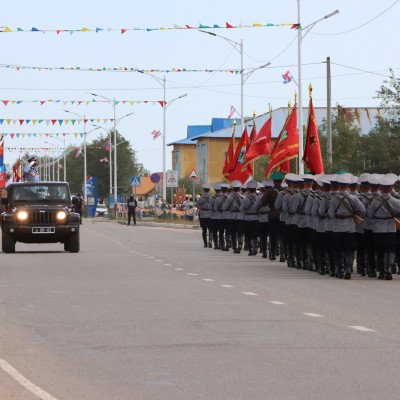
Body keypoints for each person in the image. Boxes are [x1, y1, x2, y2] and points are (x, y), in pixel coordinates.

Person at [240, 180, 260, 256]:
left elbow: (241, 209)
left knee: (247, 235)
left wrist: (245, 214)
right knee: (255, 234)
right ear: (255, 189)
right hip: (256, 218)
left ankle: (250, 250)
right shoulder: (258, 198)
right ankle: (255, 247)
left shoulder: (245, 199)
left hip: (247, 218)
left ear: (248, 189)